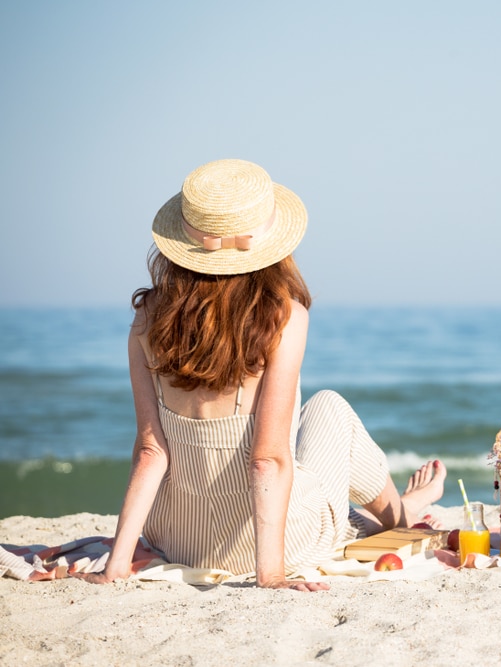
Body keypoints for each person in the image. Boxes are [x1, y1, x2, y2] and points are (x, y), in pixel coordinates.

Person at [75, 159, 446, 592]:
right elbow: (266, 459)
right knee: (329, 409)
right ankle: (402, 516)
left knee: (312, 458)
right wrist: (271, 576)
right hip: (274, 546)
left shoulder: (147, 318)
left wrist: (117, 565)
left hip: (179, 542)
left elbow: (150, 452)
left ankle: (405, 507)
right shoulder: (284, 318)